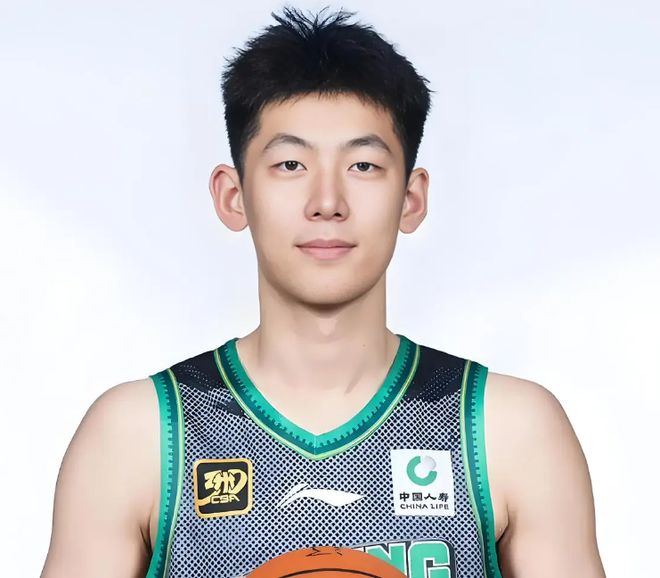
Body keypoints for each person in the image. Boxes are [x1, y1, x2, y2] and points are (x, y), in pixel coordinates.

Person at [40, 5, 606, 578]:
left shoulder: (505, 430)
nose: (327, 202)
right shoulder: (141, 436)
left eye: (363, 166)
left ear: (411, 199)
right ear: (233, 196)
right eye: (290, 164)